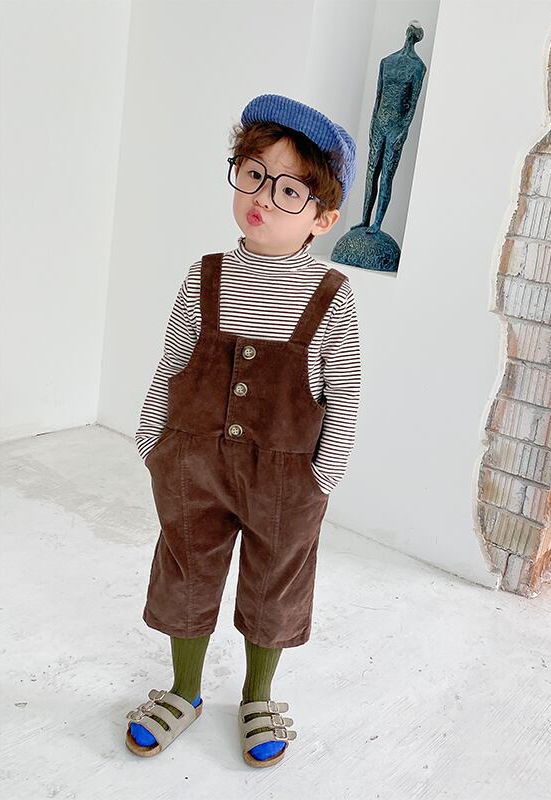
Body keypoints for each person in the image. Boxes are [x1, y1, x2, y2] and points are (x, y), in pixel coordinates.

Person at [125, 94, 361, 767]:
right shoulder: (205, 276)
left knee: (274, 584)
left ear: (323, 218)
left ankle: (258, 696)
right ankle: (184, 690)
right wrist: (152, 439)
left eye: (289, 190)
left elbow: (343, 392)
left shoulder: (331, 294)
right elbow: (173, 361)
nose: (263, 196)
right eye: (253, 174)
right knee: (186, 568)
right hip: (191, 460)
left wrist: (324, 474)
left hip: (287, 476)